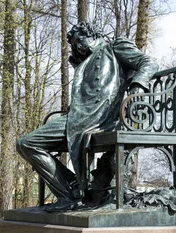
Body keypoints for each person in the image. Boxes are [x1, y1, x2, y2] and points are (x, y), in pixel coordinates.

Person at [16, 22, 158, 210]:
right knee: (26, 143)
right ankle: (71, 190)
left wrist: (137, 84)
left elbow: (148, 62)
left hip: (102, 119)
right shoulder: (84, 64)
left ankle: (73, 192)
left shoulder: (114, 47)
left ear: (91, 34)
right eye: (75, 45)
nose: (79, 46)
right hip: (78, 119)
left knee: (26, 143)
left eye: (80, 40)